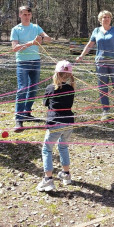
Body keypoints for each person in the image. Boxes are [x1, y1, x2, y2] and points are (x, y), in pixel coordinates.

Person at [10, 6, 51, 132]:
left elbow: (48, 39)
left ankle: (26, 113)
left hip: (36, 61)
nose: (26, 17)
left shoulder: (36, 27)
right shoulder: (16, 29)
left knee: (33, 88)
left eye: (28, 14)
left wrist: (43, 38)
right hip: (22, 62)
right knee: (22, 89)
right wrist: (31, 43)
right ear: (20, 15)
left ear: (31, 15)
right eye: (24, 14)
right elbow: (15, 48)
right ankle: (18, 118)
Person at [37, 60, 75, 192]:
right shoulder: (71, 89)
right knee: (63, 146)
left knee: (47, 149)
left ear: (56, 73)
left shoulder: (49, 88)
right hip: (69, 122)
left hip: (55, 123)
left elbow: (45, 103)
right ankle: (66, 174)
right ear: (69, 75)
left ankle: (48, 180)